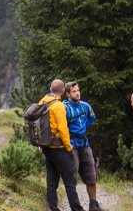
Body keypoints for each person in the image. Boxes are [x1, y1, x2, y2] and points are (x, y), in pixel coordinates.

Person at [40, 79, 84, 211]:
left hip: (46, 146)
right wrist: (69, 147)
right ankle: (77, 209)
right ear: (64, 91)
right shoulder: (58, 106)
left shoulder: (42, 101)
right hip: (59, 148)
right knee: (70, 182)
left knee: (52, 181)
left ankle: (54, 208)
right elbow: (63, 129)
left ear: (50, 88)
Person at [65, 82, 100, 211]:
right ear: (68, 94)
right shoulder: (65, 108)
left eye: (78, 90)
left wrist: (83, 128)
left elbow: (91, 118)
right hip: (71, 145)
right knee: (72, 176)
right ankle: (75, 207)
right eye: (74, 91)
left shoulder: (85, 106)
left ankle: (93, 205)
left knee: (91, 174)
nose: (77, 93)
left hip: (84, 144)